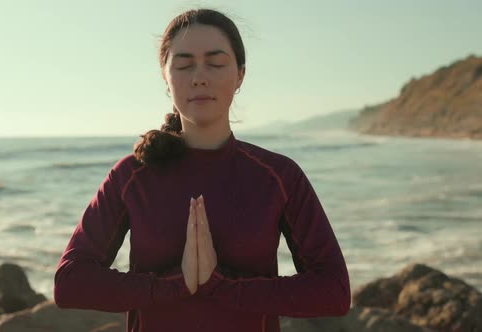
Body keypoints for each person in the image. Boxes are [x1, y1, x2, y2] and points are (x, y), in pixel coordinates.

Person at [54, 8, 350, 332]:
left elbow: (333, 291)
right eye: (183, 65)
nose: (199, 76)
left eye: (216, 62)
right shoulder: (132, 176)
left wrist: (219, 285)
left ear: (240, 75)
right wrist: (178, 283)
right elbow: (70, 282)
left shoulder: (278, 177)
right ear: (166, 79)